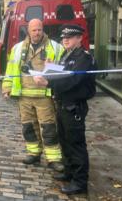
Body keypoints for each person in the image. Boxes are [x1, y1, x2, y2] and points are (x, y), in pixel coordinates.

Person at [33, 24, 97, 195]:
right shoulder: (66, 54)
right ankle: (69, 172)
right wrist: (50, 68)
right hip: (62, 104)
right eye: (63, 38)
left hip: (74, 106)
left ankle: (79, 182)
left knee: (76, 144)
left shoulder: (83, 57)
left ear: (79, 38)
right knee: (65, 141)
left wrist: (48, 82)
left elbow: (72, 80)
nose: (65, 40)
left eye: (70, 37)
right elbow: (62, 74)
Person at [1, 19, 64, 172]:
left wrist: (52, 67)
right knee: (28, 127)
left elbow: (62, 69)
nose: (37, 33)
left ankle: (53, 158)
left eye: (39, 30)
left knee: (48, 128)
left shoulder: (55, 47)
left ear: (43, 30)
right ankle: (34, 153)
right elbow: (11, 69)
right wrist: (7, 86)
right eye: (34, 30)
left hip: (44, 96)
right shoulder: (17, 48)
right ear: (28, 31)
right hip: (24, 96)